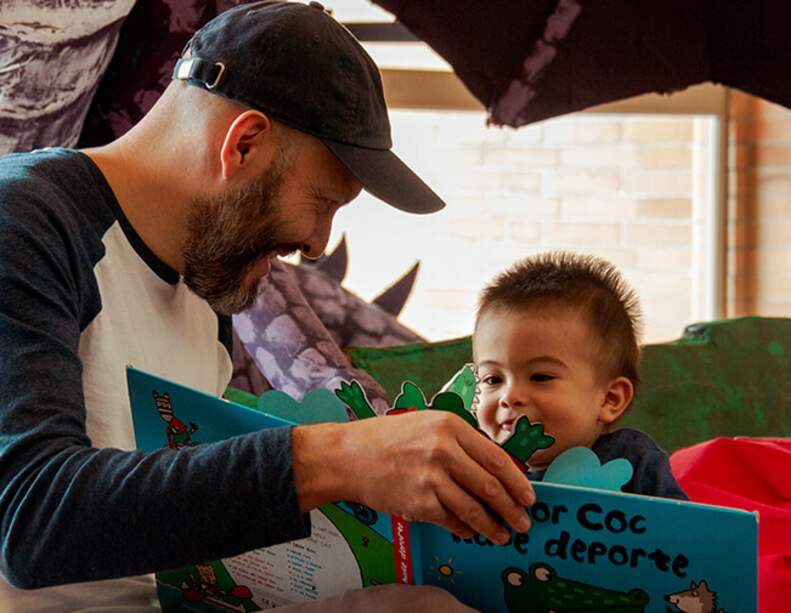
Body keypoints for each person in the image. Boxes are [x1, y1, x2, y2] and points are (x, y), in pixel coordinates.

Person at [0, 2, 534, 611]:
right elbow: (29, 518)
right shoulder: (26, 221)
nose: (317, 243)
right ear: (245, 144)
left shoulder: (207, 284)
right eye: (322, 201)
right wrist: (339, 456)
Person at [472, 251, 688, 500]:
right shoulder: (473, 468)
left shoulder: (633, 464)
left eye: (540, 377)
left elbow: (684, 533)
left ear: (609, 399)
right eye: (493, 380)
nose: (509, 396)